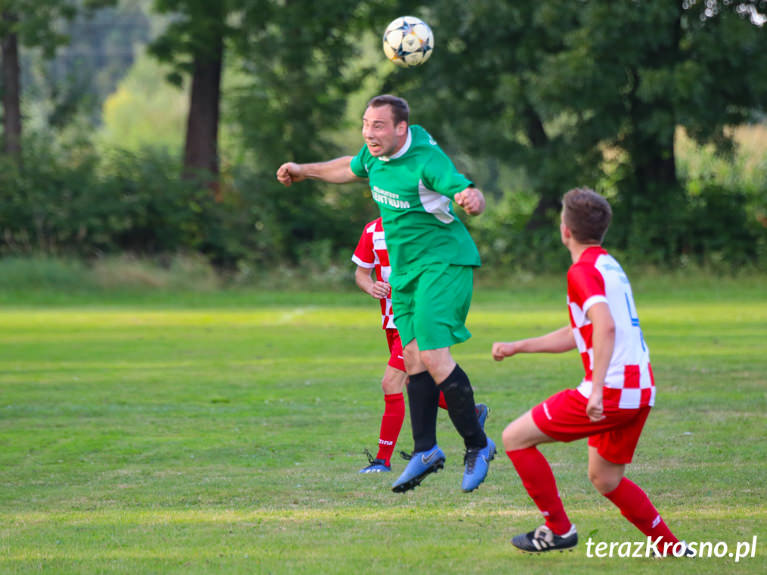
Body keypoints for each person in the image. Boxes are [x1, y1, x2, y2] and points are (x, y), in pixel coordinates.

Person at [277, 94, 494, 493]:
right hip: (406, 272)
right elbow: (349, 166)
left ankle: (477, 445)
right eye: (365, 124)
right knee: (411, 356)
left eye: (377, 126)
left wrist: (470, 196)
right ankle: (425, 451)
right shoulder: (376, 155)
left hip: (443, 264)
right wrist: (302, 170)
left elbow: (457, 185)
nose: (368, 133)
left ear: (401, 128)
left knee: (431, 354)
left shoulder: (426, 159)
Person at [491, 187, 686, 554]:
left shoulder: (581, 271)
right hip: (641, 388)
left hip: (611, 390)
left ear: (565, 230)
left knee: (514, 437)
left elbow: (605, 326)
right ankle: (670, 547)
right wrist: (519, 347)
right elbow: (578, 332)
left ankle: (558, 529)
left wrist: (595, 390)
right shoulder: (609, 265)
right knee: (605, 477)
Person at [352, 217, 489, 474]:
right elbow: (361, 273)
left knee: (390, 382)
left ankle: (383, 461)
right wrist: (371, 287)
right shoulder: (371, 229)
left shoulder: (420, 225)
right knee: (411, 381)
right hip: (391, 322)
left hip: (416, 319)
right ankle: (472, 411)